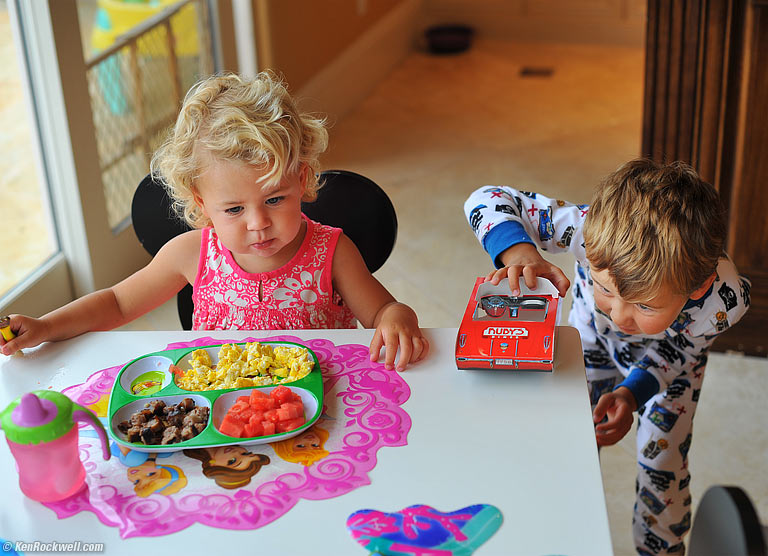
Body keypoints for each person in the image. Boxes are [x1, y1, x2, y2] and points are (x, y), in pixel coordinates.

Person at [0, 72, 428, 371]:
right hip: (220, 410)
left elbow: (384, 311)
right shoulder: (190, 254)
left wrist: (397, 318)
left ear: (302, 180)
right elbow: (116, 303)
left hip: (319, 406)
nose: (258, 223)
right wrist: (46, 326)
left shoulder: (332, 252)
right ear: (201, 202)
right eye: (234, 209)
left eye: (275, 198)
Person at [464, 159, 750, 555]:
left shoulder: (723, 300)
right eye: (604, 288)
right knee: (569, 441)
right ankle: (563, 533)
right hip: (590, 346)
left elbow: (680, 350)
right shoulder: (586, 228)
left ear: (697, 288)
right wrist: (519, 253)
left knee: (663, 466)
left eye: (644, 306)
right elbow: (486, 199)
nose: (618, 315)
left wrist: (633, 393)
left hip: (670, 369)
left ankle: (662, 549)